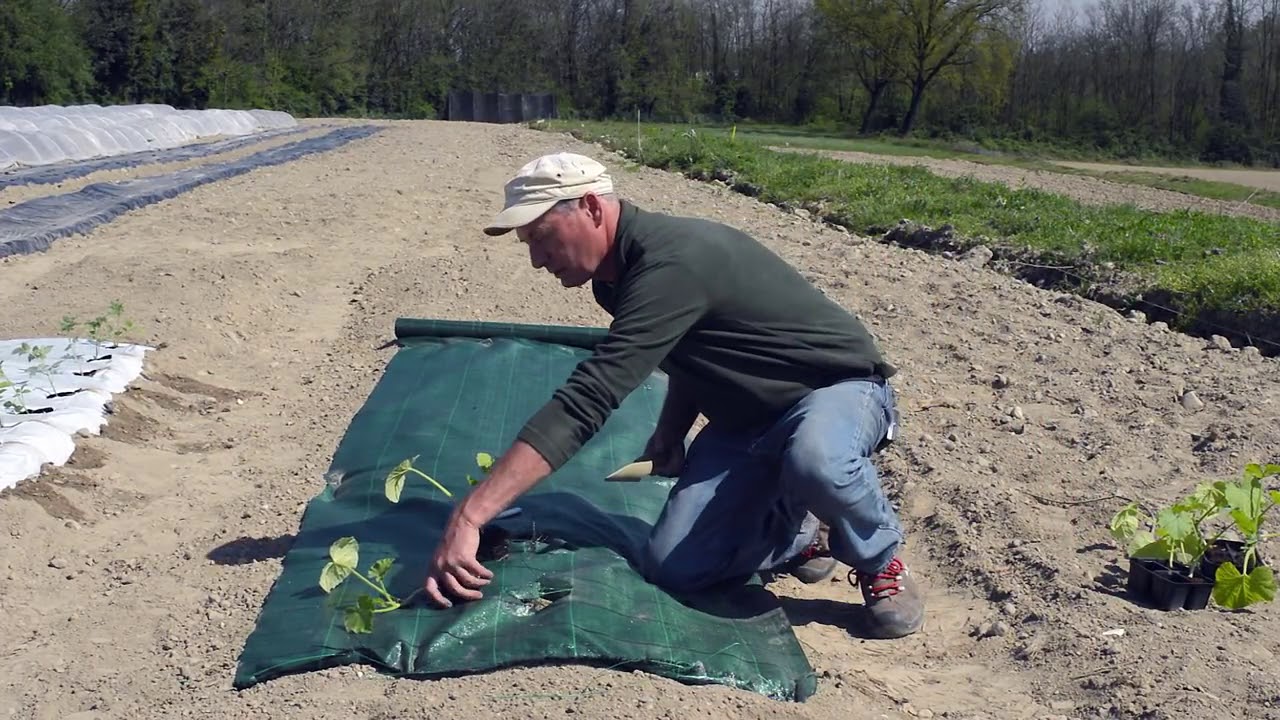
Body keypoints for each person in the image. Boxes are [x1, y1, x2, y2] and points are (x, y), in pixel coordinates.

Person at [422, 151, 925, 639]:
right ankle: (798, 536)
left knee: (816, 457)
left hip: (836, 389)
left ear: (593, 208)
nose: (536, 260)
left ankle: (881, 559)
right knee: (676, 567)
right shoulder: (613, 280)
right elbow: (693, 349)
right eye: (526, 244)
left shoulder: (672, 263)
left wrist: (471, 514)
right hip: (748, 421)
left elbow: (589, 397)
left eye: (541, 237)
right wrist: (671, 429)